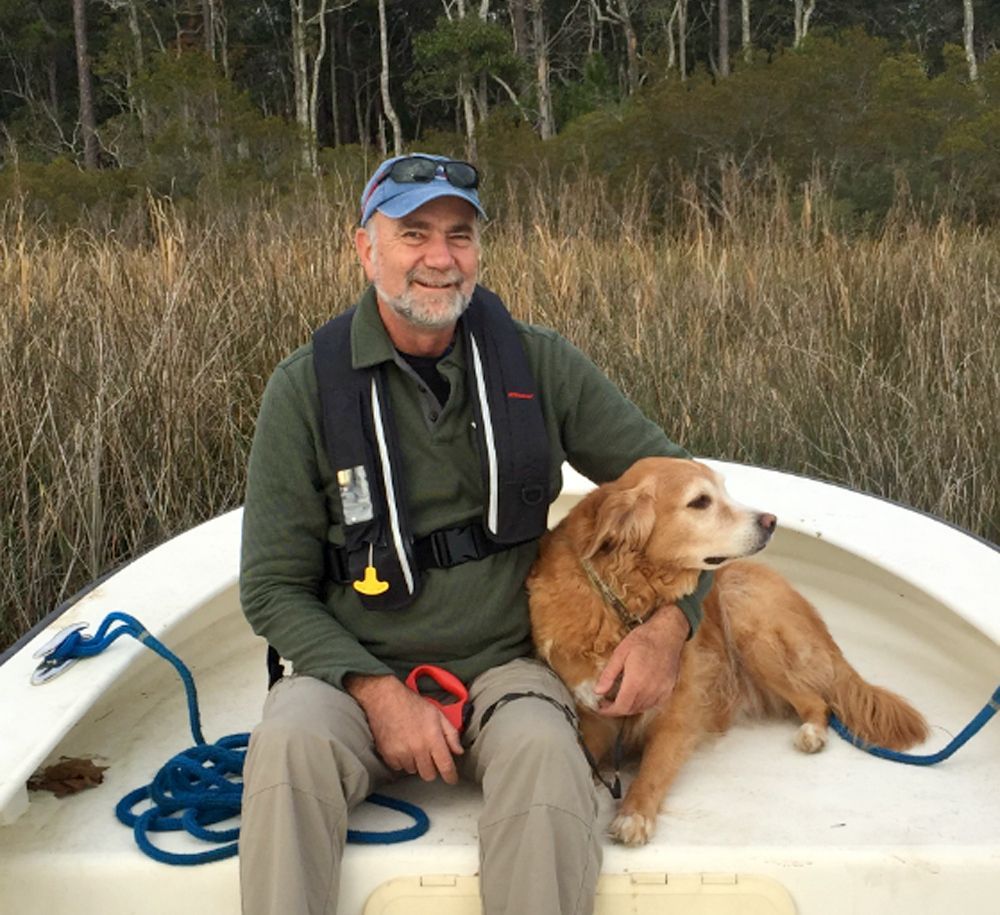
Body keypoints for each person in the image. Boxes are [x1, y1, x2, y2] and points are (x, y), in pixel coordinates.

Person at [238, 153, 711, 915]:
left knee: (547, 758)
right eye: (413, 233)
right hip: (352, 673)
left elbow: (690, 495)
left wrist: (669, 628)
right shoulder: (303, 389)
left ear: (479, 252)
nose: (439, 257)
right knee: (285, 747)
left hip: (506, 667)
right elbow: (270, 586)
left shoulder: (541, 362)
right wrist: (379, 693)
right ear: (366, 248)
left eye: (459, 235)